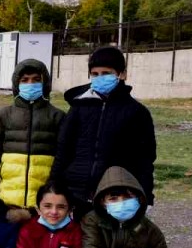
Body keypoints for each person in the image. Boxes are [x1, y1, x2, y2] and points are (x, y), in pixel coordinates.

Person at [53, 46, 157, 216]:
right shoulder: (78, 108)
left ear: (122, 74)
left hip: (115, 195)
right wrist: (54, 185)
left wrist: (146, 196)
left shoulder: (137, 112)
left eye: (106, 73)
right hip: (76, 194)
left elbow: (144, 160)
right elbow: (63, 151)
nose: (99, 78)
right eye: (95, 74)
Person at [0, 59, 65, 209]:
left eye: (36, 79)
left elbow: (63, 156)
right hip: (7, 199)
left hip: (45, 201)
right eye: (25, 80)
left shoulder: (57, 116)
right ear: (17, 84)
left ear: (45, 83)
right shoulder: (2, 115)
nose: (30, 84)